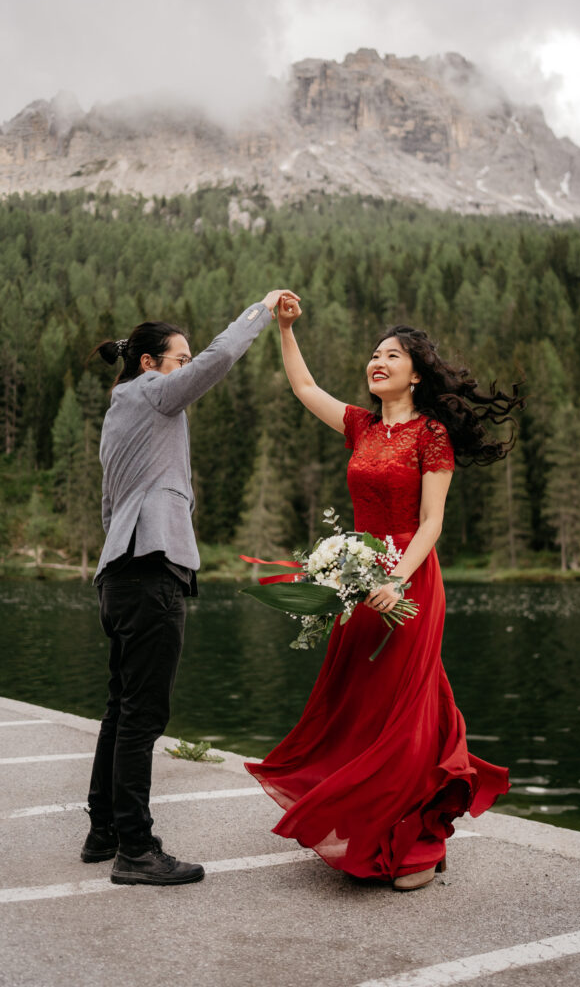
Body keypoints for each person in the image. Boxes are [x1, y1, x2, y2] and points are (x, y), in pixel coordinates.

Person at [245, 298, 523, 891]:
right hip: (358, 575)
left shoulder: (432, 434)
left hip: (409, 576)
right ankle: (387, 824)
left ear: (415, 373)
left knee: (407, 709)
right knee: (363, 702)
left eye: (391, 355)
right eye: (374, 354)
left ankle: (418, 844)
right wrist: (286, 329)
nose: (377, 361)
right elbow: (303, 386)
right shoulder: (362, 426)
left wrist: (396, 578)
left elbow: (431, 521)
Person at [82, 289, 298, 886]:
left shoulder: (120, 408)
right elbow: (218, 359)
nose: (187, 365)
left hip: (120, 572)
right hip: (151, 572)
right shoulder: (153, 394)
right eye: (179, 357)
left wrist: (125, 552)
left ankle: (103, 832)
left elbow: (108, 507)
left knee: (120, 709)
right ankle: (135, 849)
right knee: (143, 716)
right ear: (151, 363)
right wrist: (259, 309)